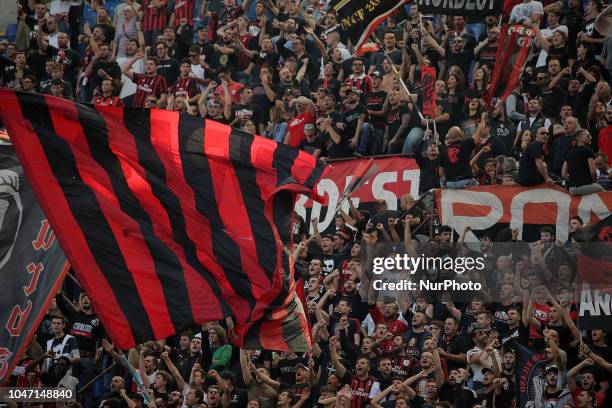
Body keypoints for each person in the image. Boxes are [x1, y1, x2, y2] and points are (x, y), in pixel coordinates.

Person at [562, 129, 604, 195]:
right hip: (586, 187)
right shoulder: (588, 150)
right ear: (580, 138)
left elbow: (563, 174)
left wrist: (574, 180)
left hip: (572, 189)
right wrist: (595, 182)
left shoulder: (569, 152)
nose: (591, 137)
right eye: (588, 135)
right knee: (606, 196)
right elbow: (593, 172)